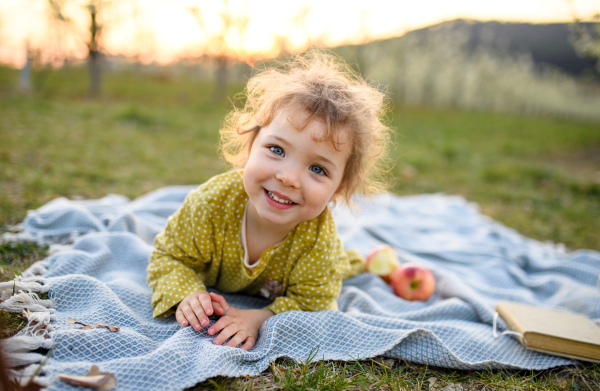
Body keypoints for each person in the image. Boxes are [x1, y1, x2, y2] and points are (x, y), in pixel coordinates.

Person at [147, 49, 391, 351]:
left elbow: (315, 305)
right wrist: (187, 293)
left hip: (326, 265)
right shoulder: (211, 205)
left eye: (317, 169)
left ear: (338, 190)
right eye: (277, 150)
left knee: (342, 265)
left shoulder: (319, 244)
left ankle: (366, 260)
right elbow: (169, 255)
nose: (288, 177)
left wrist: (259, 318)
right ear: (250, 147)